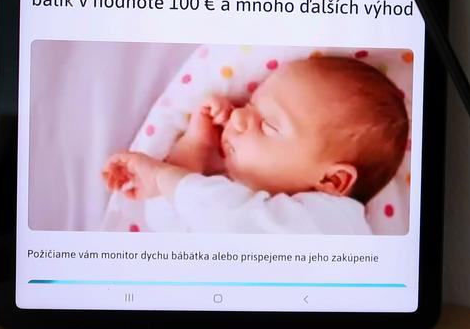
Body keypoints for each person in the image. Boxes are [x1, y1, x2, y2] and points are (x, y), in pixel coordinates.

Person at [101, 56, 408, 235]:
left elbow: (230, 218)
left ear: (333, 180)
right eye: (249, 104)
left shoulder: (334, 224)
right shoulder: (243, 197)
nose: (238, 117)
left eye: (268, 125)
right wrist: (195, 148)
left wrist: (161, 177)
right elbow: (172, 226)